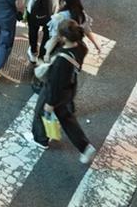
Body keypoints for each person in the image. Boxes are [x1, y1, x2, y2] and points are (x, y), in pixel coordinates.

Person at [31, 20, 95, 162]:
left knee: (40, 112)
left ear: (64, 38)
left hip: (55, 92)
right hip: (70, 89)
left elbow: (55, 84)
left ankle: (40, 139)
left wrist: (50, 103)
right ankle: (84, 146)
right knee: (67, 119)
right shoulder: (81, 48)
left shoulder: (62, 60)